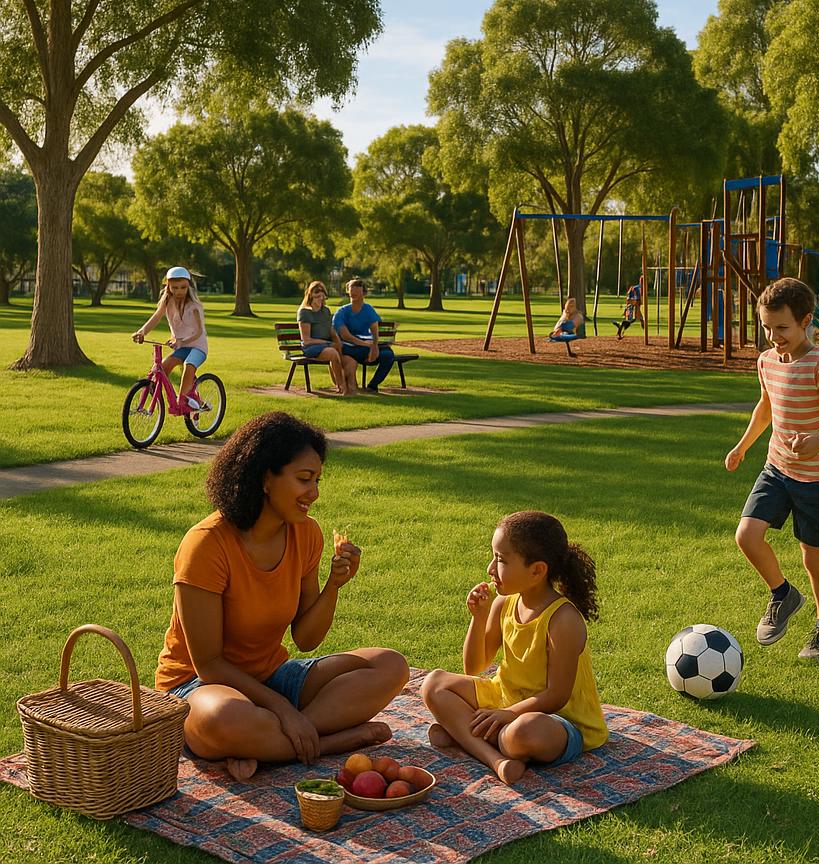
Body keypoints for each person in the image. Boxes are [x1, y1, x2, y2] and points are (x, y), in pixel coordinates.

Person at [154, 412, 409, 780]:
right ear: (264, 478)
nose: (314, 493)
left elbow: (306, 639)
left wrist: (333, 586)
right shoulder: (206, 545)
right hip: (199, 686)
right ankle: (326, 742)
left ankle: (272, 743)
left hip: (272, 676)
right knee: (222, 719)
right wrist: (283, 711)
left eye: (317, 480)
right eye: (304, 479)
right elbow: (209, 663)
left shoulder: (306, 535)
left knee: (390, 665)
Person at [421, 510, 608, 786]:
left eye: (501, 560)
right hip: (504, 699)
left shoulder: (563, 620)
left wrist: (509, 715)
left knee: (524, 732)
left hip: (557, 720)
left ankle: (463, 733)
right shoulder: (503, 603)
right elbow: (474, 667)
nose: (490, 569)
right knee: (434, 684)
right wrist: (479, 617)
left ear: (536, 571)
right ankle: (495, 758)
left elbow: (557, 695)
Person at [725, 278, 819, 661]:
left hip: (817, 477)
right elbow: (765, 407)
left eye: (781, 327)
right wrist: (742, 447)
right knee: (747, 535)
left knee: (813, 556)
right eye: (767, 327)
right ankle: (783, 594)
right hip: (776, 468)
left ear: (805, 321)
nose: (773, 336)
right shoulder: (766, 361)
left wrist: (818, 440)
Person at [132, 266, 209, 412]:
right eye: (175, 288)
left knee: (189, 364)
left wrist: (180, 341)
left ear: (188, 286)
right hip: (181, 347)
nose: (179, 291)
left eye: (183, 287)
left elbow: (199, 332)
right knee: (164, 367)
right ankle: (157, 395)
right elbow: (156, 317)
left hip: (198, 347)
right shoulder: (168, 302)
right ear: (168, 286)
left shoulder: (194, 306)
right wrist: (142, 332)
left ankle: (184, 399)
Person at [332, 278, 395, 393]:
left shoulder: (368, 309)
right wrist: (368, 346)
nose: (354, 292)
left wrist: (375, 346)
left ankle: (372, 386)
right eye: (352, 289)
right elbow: (345, 336)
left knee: (388, 355)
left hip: (366, 347)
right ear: (348, 292)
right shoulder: (341, 312)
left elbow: (375, 330)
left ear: (364, 293)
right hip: (349, 348)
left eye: (357, 289)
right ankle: (349, 385)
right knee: (378, 352)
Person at [296, 280, 350, 395]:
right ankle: (343, 387)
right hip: (311, 347)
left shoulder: (325, 311)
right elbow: (307, 340)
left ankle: (346, 384)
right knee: (333, 353)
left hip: (326, 345)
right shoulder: (304, 312)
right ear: (310, 296)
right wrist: (328, 343)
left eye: (323, 296)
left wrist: (337, 341)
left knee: (346, 352)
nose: (321, 299)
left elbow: (330, 330)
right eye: (317, 296)